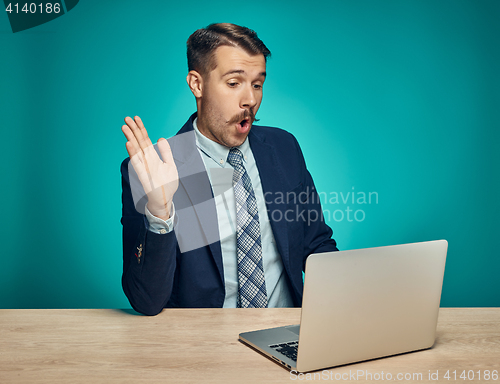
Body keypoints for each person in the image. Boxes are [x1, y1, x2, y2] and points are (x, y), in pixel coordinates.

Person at [120, 23, 338, 316]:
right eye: (234, 83)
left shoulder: (284, 148)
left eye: (257, 84)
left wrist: (347, 298)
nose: (249, 99)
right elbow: (147, 300)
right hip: (205, 347)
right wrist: (160, 213)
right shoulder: (155, 168)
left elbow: (316, 244)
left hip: (286, 332)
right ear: (197, 84)